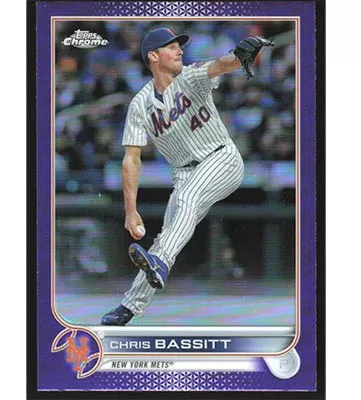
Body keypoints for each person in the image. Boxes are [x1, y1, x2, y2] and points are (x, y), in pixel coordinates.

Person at [101, 26, 272, 325]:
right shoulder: (140, 104)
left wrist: (238, 56)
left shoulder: (190, 76)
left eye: (179, 45)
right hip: (184, 174)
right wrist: (130, 210)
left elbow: (221, 64)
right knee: (167, 236)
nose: (179, 50)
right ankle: (129, 307)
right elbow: (131, 159)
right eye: (171, 47)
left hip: (221, 158)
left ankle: (160, 263)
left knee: (186, 200)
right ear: (153, 56)